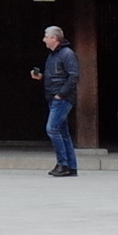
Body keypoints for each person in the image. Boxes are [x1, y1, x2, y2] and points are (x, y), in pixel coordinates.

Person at [33, 26, 81, 176]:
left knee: (52, 129)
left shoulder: (67, 54)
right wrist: (41, 77)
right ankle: (71, 166)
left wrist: (61, 94)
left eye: (46, 36)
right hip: (54, 97)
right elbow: (56, 76)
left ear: (54, 38)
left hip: (61, 98)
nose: (44, 39)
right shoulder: (53, 55)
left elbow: (74, 76)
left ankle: (63, 163)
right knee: (62, 132)